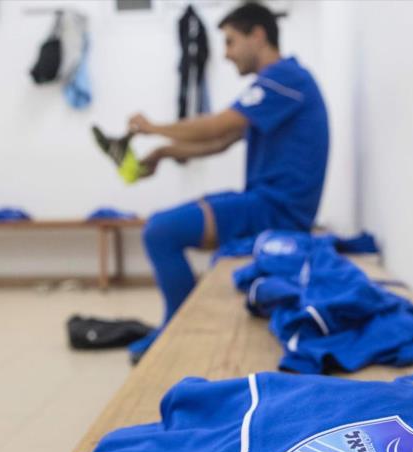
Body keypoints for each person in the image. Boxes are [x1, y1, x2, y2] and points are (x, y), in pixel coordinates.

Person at [129, 2, 330, 328]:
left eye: (230, 41)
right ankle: (176, 327)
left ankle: (176, 330)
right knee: (162, 228)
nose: (225, 54)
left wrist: (153, 128)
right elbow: (221, 141)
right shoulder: (283, 84)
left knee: (160, 231)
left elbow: (217, 127)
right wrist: (164, 151)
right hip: (266, 203)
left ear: (258, 36)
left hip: (277, 211)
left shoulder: (285, 79)